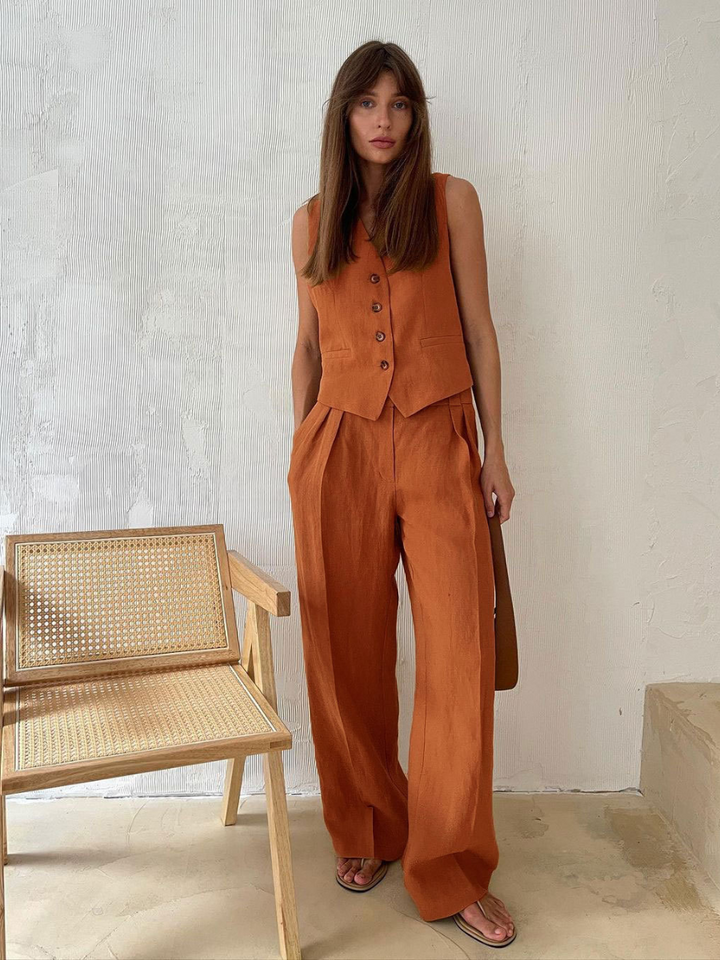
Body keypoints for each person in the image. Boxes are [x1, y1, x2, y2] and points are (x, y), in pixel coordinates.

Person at [287, 40, 516, 947]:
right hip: (337, 444)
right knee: (346, 650)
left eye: (399, 103)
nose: (383, 120)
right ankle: (371, 827)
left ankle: (451, 866)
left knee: (459, 656)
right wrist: (299, 451)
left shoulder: (450, 202)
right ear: (344, 117)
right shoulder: (310, 222)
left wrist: (496, 453)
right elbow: (304, 347)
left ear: (416, 117)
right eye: (365, 103)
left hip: (438, 438)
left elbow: (484, 331)